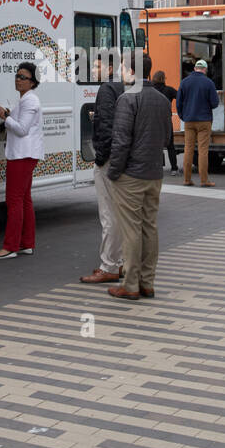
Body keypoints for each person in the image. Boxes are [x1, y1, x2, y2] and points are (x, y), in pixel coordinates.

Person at [105, 55, 173, 301]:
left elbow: (121, 141)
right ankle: (147, 282)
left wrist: (114, 172)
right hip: (154, 173)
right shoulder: (163, 100)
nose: (121, 72)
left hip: (131, 174)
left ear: (131, 70)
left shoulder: (127, 98)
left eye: (123, 67)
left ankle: (130, 285)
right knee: (149, 227)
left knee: (131, 229)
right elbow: (167, 137)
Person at [0, 61, 43, 259]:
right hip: (25, 154)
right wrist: (10, 115)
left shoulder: (30, 101)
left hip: (22, 155)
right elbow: (22, 123)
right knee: (24, 199)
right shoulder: (26, 99)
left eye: (23, 77)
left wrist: (5, 116)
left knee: (14, 200)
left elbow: (21, 129)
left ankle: (10, 247)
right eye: (17, 76)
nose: (18, 80)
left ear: (32, 82)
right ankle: (26, 243)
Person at [80, 54, 125, 285]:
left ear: (109, 67)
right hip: (124, 158)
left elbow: (107, 126)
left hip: (109, 160)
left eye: (96, 66)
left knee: (108, 215)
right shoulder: (124, 86)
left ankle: (109, 266)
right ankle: (120, 262)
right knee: (121, 214)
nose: (93, 69)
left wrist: (100, 158)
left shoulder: (106, 89)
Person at [177, 58, 220, 187]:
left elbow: (178, 102)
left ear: (195, 68)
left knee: (188, 149)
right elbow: (215, 103)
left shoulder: (184, 82)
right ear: (205, 70)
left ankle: (187, 179)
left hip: (189, 121)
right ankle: (204, 180)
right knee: (202, 150)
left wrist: (183, 116)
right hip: (204, 121)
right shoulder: (209, 83)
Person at [151, 69, 179, 174]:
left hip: (153, 121)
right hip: (166, 120)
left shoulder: (151, 90)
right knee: (170, 145)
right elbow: (180, 97)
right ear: (163, 79)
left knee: (155, 145)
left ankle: (158, 167)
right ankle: (174, 168)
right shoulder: (169, 90)